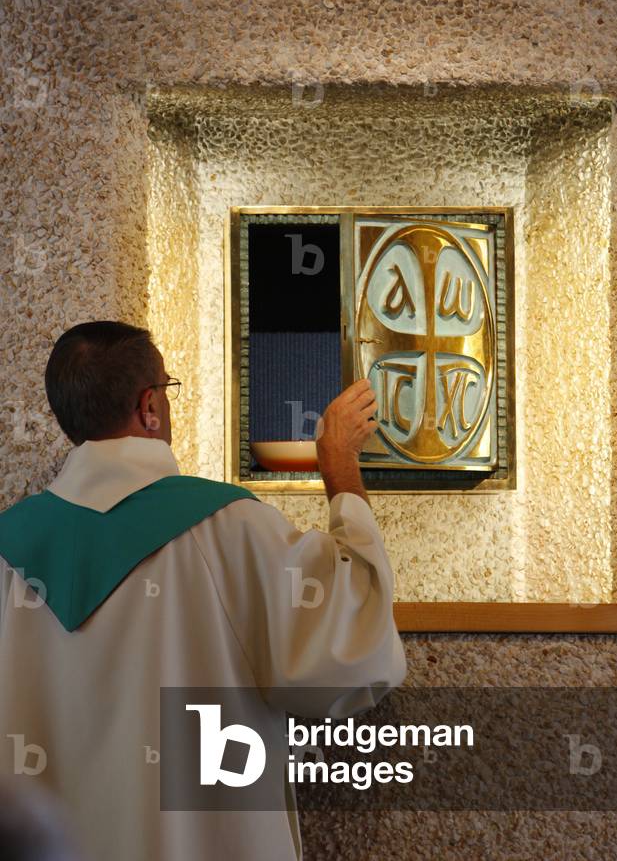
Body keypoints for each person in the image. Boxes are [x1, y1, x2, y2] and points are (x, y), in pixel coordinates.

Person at [0, 321, 406, 861]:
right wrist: (339, 469)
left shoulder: (9, 549)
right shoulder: (230, 526)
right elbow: (353, 649)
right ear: (149, 406)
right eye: (167, 389)